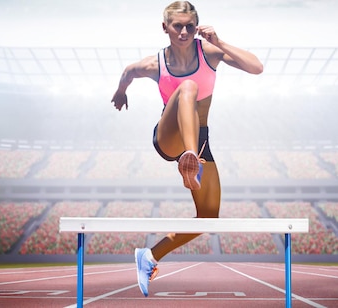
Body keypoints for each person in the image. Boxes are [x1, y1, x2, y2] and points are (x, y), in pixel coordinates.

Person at [110, 1, 263, 297]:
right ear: (165, 27)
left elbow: (256, 67)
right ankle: (190, 159)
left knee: (208, 216)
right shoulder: (156, 64)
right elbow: (129, 71)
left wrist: (219, 41)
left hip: (201, 139)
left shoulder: (210, 53)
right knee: (189, 88)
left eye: (190, 26)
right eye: (177, 26)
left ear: (197, 27)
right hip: (170, 139)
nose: (183, 32)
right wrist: (120, 92)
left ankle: (150, 256)